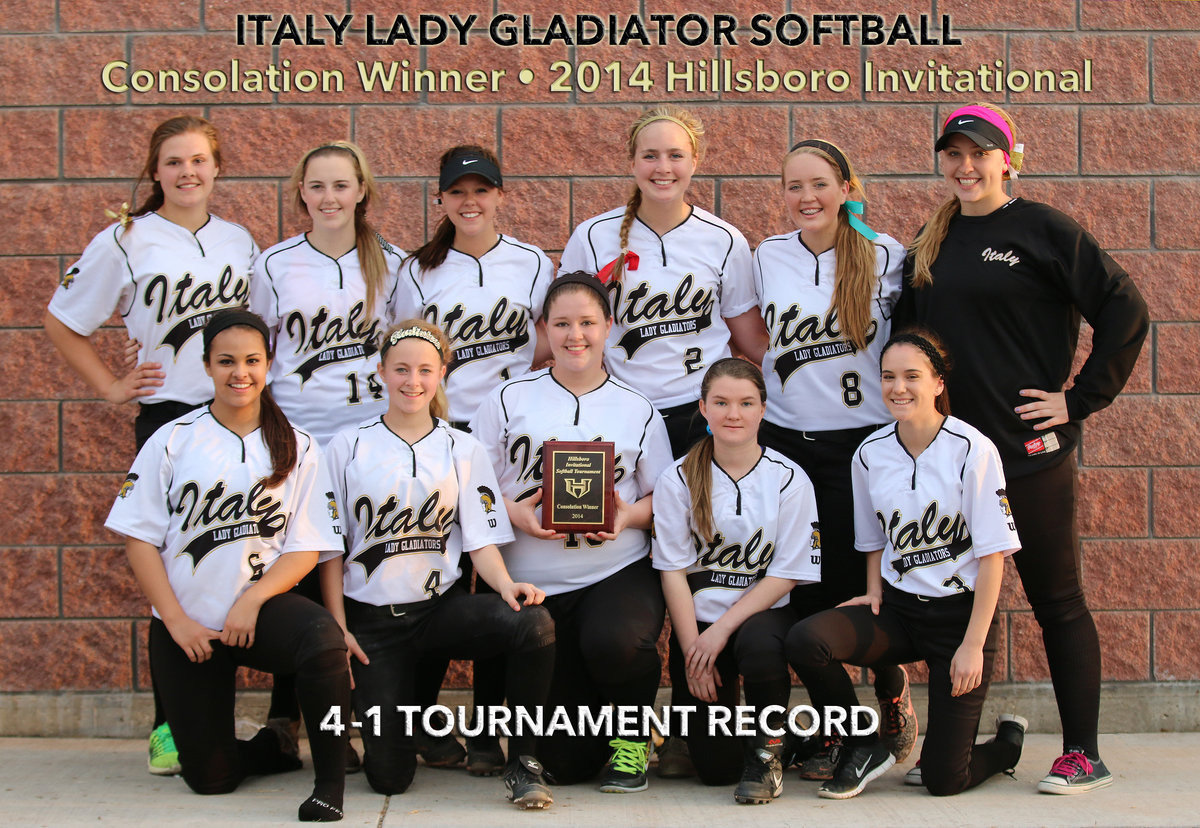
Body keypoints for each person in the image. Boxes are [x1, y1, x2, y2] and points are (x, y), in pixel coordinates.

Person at [897, 103, 1150, 794]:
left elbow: (1126, 310)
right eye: (954, 154)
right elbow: (910, 343)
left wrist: (1080, 398)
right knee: (955, 601)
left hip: (1026, 453)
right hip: (952, 459)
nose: (966, 166)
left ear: (1008, 160)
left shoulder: (1043, 229)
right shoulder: (932, 239)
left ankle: (1083, 753)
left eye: (979, 153)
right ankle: (957, 748)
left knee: (1055, 599)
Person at [45, 115, 259, 776]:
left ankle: (214, 715)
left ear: (217, 168)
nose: (187, 172)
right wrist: (112, 386)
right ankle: (170, 725)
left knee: (233, 559)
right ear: (155, 171)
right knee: (174, 570)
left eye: (198, 160)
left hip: (241, 419)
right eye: (173, 162)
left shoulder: (239, 240)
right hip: (170, 417)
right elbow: (62, 319)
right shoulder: (126, 239)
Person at [104, 309, 351, 822]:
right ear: (207, 366)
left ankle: (329, 787)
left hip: (259, 614)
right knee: (211, 779)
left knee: (323, 638)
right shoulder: (172, 438)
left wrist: (253, 599)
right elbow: (139, 540)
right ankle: (273, 747)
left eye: (252, 361)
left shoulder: (299, 445)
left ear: (268, 364)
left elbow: (307, 547)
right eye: (226, 361)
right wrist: (176, 621)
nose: (241, 373)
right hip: (189, 625)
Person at [318, 319, 557, 809]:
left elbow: (481, 540)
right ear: (381, 372)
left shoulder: (462, 448)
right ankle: (399, 726)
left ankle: (523, 762)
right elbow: (329, 550)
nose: (413, 381)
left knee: (532, 623)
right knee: (388, 779)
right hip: (373, 625)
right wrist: (338, 629)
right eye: (401, 369)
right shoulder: (346, 446)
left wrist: (506, 585)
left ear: (442, 373)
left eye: (425, 370)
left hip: (437, 612)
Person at [787, 330, 1026, 801]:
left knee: (943, 779)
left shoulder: (972, 449)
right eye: (888, 377)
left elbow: (993, 555)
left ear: (938, 383)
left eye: (912, 376)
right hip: (899, 611)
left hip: (959, 619)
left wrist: (973, 644)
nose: (898, 387)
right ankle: (864, 744)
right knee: (805, 639)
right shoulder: (869, 453)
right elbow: (873, 540)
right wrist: (874, 590)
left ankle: (1006, 745)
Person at [746, 139, 915, 777]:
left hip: (864, 442)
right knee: (802, 586)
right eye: (793, 186)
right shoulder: (767, 255)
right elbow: (755, 336)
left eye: (819, 184)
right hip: (788, 441)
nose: (806, 197)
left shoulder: (884, 254)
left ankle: (890, 689)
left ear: (846, 188)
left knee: (861, 583)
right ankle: (834, 729)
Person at [470, 273, 674, 792]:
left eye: (587, 322)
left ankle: (632, 745)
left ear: (608, 326)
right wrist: (513, 514)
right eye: (562, 324)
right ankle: (583, 734)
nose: (575, 335)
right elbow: (471, 487)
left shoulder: (638, 406)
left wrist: (627, 517)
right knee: (566, 766)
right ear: (544, 328)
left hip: (613, 572)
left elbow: (664, 500)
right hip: (531, 583)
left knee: (616, 642)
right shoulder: (506, 399)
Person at [392, 145, 554, 775]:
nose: (469, 202)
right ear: (440, 199)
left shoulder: (532, 262)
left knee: (498, 583)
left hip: (507, 437)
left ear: (499, 196)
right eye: (457, 192)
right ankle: (418, 724)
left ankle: (488, 735)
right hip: (441, 436)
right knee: (438, 582)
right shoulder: (417, 270)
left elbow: (545, 342)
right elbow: (407, 354)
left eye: (481, 190)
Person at [652, 358, 821, 804]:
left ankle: (768, 754)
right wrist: (693, 650)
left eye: (746, 403)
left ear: (763, 409)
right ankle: (783, 739)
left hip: (760, 619)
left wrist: (722, 629)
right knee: (716, 771)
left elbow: (787, 573)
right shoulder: (677, 478)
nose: (734, 414)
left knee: (761, 645)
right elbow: (672, 571)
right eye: (722, 402)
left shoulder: (789, 478)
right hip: (698, 630)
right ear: (703, 408)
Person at [559, 105, 765, 458]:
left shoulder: (724, 239)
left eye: (675, 155)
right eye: (650, 155)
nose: (663, 167)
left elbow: (749, 337)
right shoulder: (592, 236)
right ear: (633, 162)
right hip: (621, 408)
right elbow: (563, 325)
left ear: (694, 162)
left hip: (703, 411)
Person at [249, 141, 404, 447]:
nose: (329, 198)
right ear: (303, 192)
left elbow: (408, 349)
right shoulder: (274, 264)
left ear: (360, 191)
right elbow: (257, 351)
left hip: (377, 432)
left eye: (340, 186)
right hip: (297, 432)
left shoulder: (393, 262)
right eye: (317, 187)